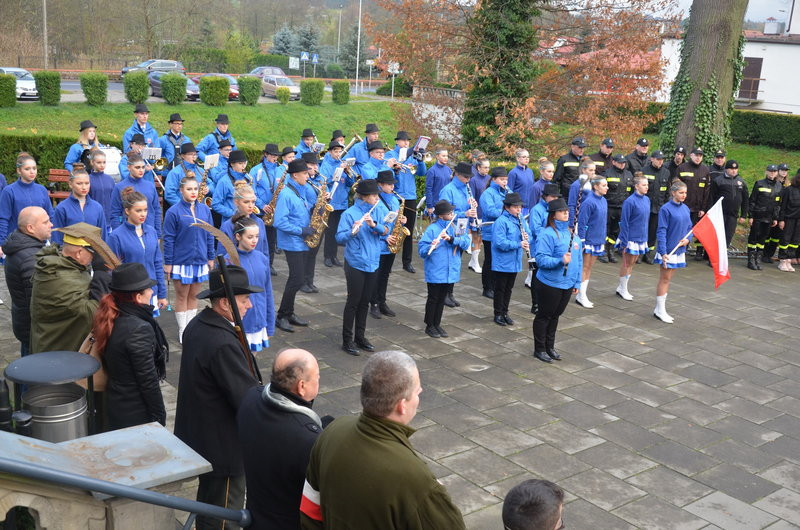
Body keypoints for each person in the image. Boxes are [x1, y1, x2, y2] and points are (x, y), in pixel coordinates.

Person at [300, 350, 465, 530]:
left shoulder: (332, 431)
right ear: (402, 405)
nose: (420, 395)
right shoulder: (415, 479)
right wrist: (428, 490)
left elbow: (309, 511)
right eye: (417, 391)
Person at [174, 265, 262, 530]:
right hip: (223, 447)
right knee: (224, 516)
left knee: (208, 504)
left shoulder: (199, 324)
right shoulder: (222, 342)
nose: (249, 305)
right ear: (225, 303)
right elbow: (245, 397)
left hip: (201, 435)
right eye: (244, 299)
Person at [238, 349, 323, 530]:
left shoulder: (251, 398)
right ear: (301, 386)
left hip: (255, 515)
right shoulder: (308, 439)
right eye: (317, 376)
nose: (319, 380)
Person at [92, 262, 168, 431]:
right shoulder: (139, 328)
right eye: (148, 289)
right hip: (135, 411)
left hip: (117, 402)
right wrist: (159, 416)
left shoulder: (114, 315)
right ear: (138, 297)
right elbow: (148, 381)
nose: (152, 292)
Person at [30, 224, 105, 354]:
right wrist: (101, 274)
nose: (94, 258)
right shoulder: (58, 275)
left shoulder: (66, 265)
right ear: (79, 253)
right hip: (56, 352)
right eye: (93, 254)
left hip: (62, 346)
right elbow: (90, 313)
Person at [336, 179, 387, 355]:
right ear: (364, 197)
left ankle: (360, 336)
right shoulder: (349, 214)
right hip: (356, 262)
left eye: (377, 195)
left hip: (373, 261)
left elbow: (386, 230)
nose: (376, 198)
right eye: (374, 195)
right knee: (353, 301)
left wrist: (374, 225)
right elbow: (339, 238)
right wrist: (353, 231)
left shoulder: (378, 209)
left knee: (365, 301)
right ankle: (347, 340)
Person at [163, 174, 215, 342]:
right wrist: (168, 263)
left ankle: (191, 328)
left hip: (200, 260)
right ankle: (182, 330)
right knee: (181, 296)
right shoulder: (173, 212)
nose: (193, 192)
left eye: (195, 189)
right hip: (181, 261)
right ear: (181, 191)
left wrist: (210, 256)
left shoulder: (205, 209)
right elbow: (169, 238)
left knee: (194, 295)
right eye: (189, 189)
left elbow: (210, 234)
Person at [533, 198, 581, 363]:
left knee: (556, 316)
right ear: (553, 215)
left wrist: (577, 282)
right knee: (545, 316)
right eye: (562, 211)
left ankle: (550, 347)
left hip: (567, 284)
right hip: (549, 283)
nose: (566, 213)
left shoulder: (572, 234)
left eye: (567, 211)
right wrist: (560, 261)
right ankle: (539, 348)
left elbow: (579, 260)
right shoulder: (547, 235)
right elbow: (541, 260)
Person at [108, 188, 168, 314]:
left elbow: (157, 263)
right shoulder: (116, 236)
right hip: (130, 294)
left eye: (145, 210)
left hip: (150, 291)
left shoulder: (151, 231)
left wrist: (162, 293)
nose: (143, 214)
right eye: (138, 210)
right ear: (127, 211)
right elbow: (112, 270)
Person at [3, 207, 52, 357]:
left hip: (25, 324)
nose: (51, 224)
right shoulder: (30, 259)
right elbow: (39, 301)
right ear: (30, 228)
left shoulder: (25, 247)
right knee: (33, 371)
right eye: (46, 222)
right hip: (33, 330)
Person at [418, 200, 470, 338]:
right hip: (436, 269)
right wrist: (432, 246)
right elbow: (422, 251)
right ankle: (430, 325)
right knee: (433, 298)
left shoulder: (455, 225)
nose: (452, 214)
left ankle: (437, 324)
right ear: (441, 216)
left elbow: (466, 242)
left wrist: (452, 239)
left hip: (450, 270)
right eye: (449, 213)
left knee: (442, 298)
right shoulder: (432, 229)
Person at [274, 159, 315, 333]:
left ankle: (289, 312)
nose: (308, 175)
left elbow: (305, 207)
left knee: (297, 278)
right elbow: (279, 222)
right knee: (297, 279)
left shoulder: (301, 190)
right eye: (305, 173)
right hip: (293, 242)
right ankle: (281, 315)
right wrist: (301, 230)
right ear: (295, 175)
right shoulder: (286, 194)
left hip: (301, 240)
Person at [229, 214, 275, 352]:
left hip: (259, 319)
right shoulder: (229, 261)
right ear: (238, 237)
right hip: (240, 321)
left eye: (257, 236)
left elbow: (268, 292)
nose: (254, 240)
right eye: (250, 237)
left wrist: (270, 323)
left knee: (252, 360)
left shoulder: (261, 258)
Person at [385, 131, 427, 273]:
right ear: (397, 141)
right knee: (392, 229)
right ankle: (387, 261)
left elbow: (421, 173)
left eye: (408, 141)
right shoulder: (391, 155)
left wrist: (420, 161)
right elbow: (387, 169)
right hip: (395, 196)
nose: (406, 143)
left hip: (410, 196)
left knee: (407, 230)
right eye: (403, 141)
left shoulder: (412, 156)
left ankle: (407, 262)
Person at [439, 161, 478, 308]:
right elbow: (443, 213)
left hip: (461, 228)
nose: (468, 180)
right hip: (450, 228)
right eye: (466, 177)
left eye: (469, 178)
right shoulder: (448, 190)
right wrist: (465, 212)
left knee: (456, 261)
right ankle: (444, 294)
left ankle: (450, 293)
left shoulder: (466, 188)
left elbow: (468, 206)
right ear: (458, 175)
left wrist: (472, 206)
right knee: (448, 261)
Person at [653, 181, 692, 323]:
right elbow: (661, 230)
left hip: (679, 250)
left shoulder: (686, 209)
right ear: (673, 193)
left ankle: (660, 308)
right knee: (664, 279)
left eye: (685, 193)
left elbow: (690, 228)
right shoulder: (665, 209)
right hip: (669, 250)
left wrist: (688, 240)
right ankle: (660, 309)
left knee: (669, 279)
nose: (684, 195)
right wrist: (663, 251)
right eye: (681, 193)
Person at [370, 170, 407, 319]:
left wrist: (402, 220)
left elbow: (396, 218)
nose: (392, 187)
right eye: (389, 184)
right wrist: (385, 237)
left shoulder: (394, 200)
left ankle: (382, 302)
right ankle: (373, 304)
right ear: (380, 185)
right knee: (376, 276)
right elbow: (372, 224)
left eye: (393, 184)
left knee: (385, 275)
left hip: (391, 243)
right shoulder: (375, 201)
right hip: (379, 243)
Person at [0, 153, 54, 253]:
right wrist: (1, 243)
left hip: (40, 242)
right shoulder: (9, 191)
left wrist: (52, 238)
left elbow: (50, 215)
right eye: (27, 169)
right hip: (16, 244)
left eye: (34, 168)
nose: (32, 171)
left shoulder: (41, 190)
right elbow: (3, 218)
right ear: (19, 171)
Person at [492, 192, 531, 327]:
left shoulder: (520, 219)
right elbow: (499, 242)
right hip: (502, 261)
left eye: (519, 207)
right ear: (507, 207)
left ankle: (505, 312)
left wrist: (526, 238)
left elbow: (529, 234)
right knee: (500, 288)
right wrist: (518, 244)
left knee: (509, 288)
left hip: (514, 261)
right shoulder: (501, 222)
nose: (519, 209)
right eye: (515, 207)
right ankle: (498, 313)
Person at [615, 174, 650, 300]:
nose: (647, 187)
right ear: (636, 186)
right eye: (644, 185)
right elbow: (624, 222)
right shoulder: (629, 201)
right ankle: (622, 288)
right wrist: (624, 241)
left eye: (647, 184)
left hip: (641, 237)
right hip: (630, 238)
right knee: (627, 263)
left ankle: (623, 287)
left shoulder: (647, 200)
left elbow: (645, 220)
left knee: (633, 262)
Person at [528, 183, 562, 314]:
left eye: (556, 197)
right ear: (545, 196)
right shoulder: (537, 209)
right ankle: (535, 303)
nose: (555, 199)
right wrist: (551, 232)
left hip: (552, 247)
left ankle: (545, 301)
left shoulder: (555, 208)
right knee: (536, 276)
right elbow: (535, 229)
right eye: (552, 197)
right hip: (538, 247)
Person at [575, 176, 608, 308]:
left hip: (598, 239)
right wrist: (582, 241)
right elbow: (582, 223)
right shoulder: (589, 202)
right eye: (604, 185)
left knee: (590, 268)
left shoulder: (604, 200)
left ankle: (582, 293)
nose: (607, 187)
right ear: (595, 187)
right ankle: (581, 295)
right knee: (585, 267)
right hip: (589, 240)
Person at [110, 153, 162, 237]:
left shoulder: (150, 186)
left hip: (149, 231)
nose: (141, 170)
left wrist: (158, 234)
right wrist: (118, 235)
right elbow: (115, 213)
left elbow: (156, 210)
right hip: (128, 233)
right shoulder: (119, 187)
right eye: (137, 167)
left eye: (143, 167)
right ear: (129, 167)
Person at [52, 166, 106, 245]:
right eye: (79, 183)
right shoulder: (62, 208)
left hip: (93, 254)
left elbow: (103, 236)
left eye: (87, 183)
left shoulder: (97, 207)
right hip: (69, 254)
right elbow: (56, 238)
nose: (84, 187)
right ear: (70, 184)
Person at [319, 141, 353, 268]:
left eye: (340, 151)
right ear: (330, 152)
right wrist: (335, 175)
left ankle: (334, 256)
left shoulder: (343, 163)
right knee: (330, 230)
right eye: (336, 151)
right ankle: (327, 256)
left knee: (338, 230)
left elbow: (350, 183)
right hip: (332, 202)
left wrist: (348, 172)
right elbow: (323, 182)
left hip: (342, 202)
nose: (338, 154)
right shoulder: (326, 165)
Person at [707, 159, 749, 257]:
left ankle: (721, 256)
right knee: (717, 236)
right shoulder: (718, 180)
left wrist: (743, 215)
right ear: (726, 169)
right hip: (720, 214)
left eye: (735, 169)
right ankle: (712, 257)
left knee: (728, 236)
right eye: (731, 168)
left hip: (733, 215)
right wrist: (710, 212)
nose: (734, 171)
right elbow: (711, 197)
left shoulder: (741, 182)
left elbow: (745, 200)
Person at [478, 167, 509, 299]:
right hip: (490, 231)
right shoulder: (487, 193)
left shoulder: (508, 191)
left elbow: (514, 204)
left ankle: (496, 285)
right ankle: (487, 287)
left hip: (504, 232)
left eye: (506, 180)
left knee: (500, 260)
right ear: (494, 179)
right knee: (490, 260)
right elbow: (489, 211)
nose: (505, 182)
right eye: (502, 179)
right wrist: (505, 212)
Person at [676, 147, 711, 261]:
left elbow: (706, 191)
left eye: (700, 155)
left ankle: (697, 252)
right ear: (691, 155)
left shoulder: (705, 170)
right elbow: (675, 187)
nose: (698, 157)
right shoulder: (682, 168)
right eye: (696, 155)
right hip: (683, 207)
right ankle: (680, 252)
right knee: (682, 231)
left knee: (695, 231)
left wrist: (703, 208)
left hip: (697, 209)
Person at [251, 143, 283, 269]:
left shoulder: (280, 170)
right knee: (258, 240)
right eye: (273, 155)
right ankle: (257, 264)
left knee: (271, 240)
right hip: (260, 211)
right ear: (266, 154)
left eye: (277, 156)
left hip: (273, 211)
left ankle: (269, 264)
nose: (276, 158)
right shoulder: (256, 170)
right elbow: (252, 191)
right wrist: (261, 205)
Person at [746, 164, 782, 270]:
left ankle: (758, 259)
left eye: (774, 171)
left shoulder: (779, 186)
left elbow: (778, 204)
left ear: (777, 173)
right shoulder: (760, 183)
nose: (772, 173)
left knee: (762, 239)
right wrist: (751, 216)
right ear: (766, 172)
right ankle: (751, 260)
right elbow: (752, 200)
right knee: (753, 238)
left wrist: (775, 218)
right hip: (757, 216)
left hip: (769, 218)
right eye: (770, 171)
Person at [299, 151, 326, 294]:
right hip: (307, 220)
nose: (315, 167)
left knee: (313, 254)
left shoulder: (319, 181)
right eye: (312, 165)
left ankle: (310, 280)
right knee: (305, 253)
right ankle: (302, 282)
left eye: (316, 164)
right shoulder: (302, 182)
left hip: (318, 220)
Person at [601, 154, 633, 263]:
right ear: (614, 162)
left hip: (622, 207)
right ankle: (603, 251)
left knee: (615, 231)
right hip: (609, 206)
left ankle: (611, 251)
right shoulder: (607, 173)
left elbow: (631, 191)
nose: (622, 164)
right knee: (606, 229)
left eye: (623, 162)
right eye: (619, 162)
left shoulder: (629, 174)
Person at [642, 150, 671, 263]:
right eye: (658, 159)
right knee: (643, 230)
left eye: (662, 159)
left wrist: (665, 205)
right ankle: (640, 252)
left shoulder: (666, 172)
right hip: (645, 206)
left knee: (653, 232)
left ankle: (648, 253)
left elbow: (667, 191)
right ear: (652, 159)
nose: (660, 161)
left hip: (658, 207)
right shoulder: (644, 171)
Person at [212, 149, 251, 224]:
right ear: (232, 164)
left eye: (244, 163)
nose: (243, 166)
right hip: (230, 222)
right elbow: (215, 204)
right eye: (240, 163)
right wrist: (233, 214)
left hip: (246, 220)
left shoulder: (248, 178)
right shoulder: (223, 181)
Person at [467, 158, 491, 273]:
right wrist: (473, 215)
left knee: (481, 238)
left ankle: (473, 260)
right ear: (478, 168)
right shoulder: (473, 180)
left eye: (488, 167)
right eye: (485, 167)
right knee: (475, 238)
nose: (487, 170)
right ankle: (474, 262)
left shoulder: (490, 179)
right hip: (477, 214)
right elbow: (471, 198)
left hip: (486, 214)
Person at [763, 163, 790, 263]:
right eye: (782, 170)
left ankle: (769, 254)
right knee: (767, 234)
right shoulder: (774, 183)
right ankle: (764, 254)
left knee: (776, 237)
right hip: (772, 212)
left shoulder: (788, 185)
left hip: (782, 214)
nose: (784, 172)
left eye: (786, 170)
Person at [86, 149, 116, 231]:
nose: (102, 165)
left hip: (109, 219)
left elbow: (114, 199)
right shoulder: (87, 179)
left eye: (104, 162)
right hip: (93, 219)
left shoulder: (110, 179)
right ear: (92, 162)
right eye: (99, 162)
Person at [777, 169, 800, 271]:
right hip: (789, 219)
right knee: (785, 240)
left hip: (799, 220)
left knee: (795, 241)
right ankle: (782, 260)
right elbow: (782, 207)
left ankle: (789, 260)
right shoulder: (789, 190)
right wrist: (781, 220)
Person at [424, 147, 452, 220]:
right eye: (443, 156)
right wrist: (429, 206)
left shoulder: (448, 170)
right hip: (435, 205)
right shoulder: (432, 171)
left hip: (447, 204)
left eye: (447, 156)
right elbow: (428, 189)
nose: (446, 158)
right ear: (437, 156)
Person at [507, 149, 535, 214]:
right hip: (518, 207)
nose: (526, 159)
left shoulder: (530, 172)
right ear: (518, 158)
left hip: (530, 206)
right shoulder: (513, 173)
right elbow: (509, 191)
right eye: (524, 157)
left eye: (528, 157)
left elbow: (532, 188)